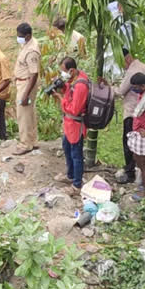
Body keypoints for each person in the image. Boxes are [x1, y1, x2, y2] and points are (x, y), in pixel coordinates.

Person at [110, 48, 145, 184]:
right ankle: (138, 169)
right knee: (136, 142)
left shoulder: (132, 71)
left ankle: (130, 171)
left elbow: (120, 91)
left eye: (121, 63)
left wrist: (109, 88)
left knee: (128, 142)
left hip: (132, 111)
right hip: (142, 111)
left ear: (126, 59)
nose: (121, 66)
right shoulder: (142, 65)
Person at [52, 57, 88, 195]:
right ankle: (70, 175)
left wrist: (60, 98)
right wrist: (63, 87)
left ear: (71, 70)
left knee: (76, 154)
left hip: (75, 124)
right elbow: (70, 92)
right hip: (69, 124)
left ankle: (77, 185)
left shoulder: (80, 86)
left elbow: (75, 109)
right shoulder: (75, 79)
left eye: (64, 72)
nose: (63, 74)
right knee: (67, 147)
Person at [11, 23, 41, 155]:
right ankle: (33, 141)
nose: (18, 38)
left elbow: (34, 74)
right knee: (29, 112)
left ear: (28, 36)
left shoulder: (32, 51)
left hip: (27, 84)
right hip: (23, 82)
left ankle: (25, 144)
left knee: (23, 114)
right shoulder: (28, 43)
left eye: (20, 36)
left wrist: (25, 95)